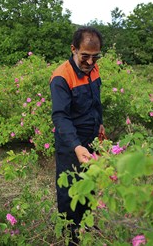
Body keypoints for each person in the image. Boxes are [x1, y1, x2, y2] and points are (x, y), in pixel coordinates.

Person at [49, 26, 105, 245]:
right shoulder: (61, 77)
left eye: (95, 57)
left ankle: (87, 225)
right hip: (70, 143)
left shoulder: (94, 69)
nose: (90, 62)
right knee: (69, 190)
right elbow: (60, 117)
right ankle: (71, 236)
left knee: (89, 184)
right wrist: (76, 145)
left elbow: (96, 101)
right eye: (85, 56)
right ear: (73, 49)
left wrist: (100, 123)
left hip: (91, 138)